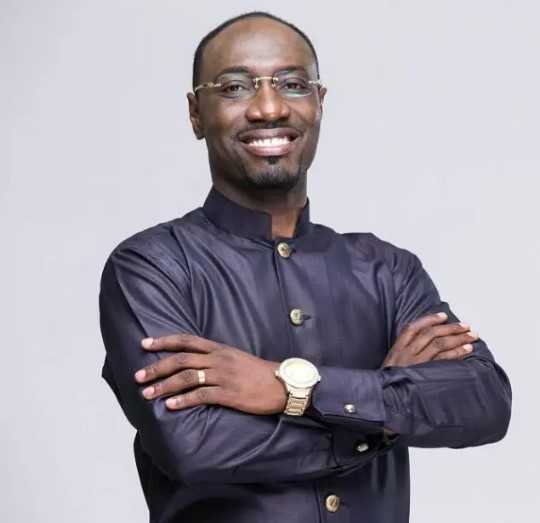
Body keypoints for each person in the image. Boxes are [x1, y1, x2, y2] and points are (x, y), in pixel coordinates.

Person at [98, 11, 512, 523]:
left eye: (293, 84)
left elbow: (484, 401)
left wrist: (292, 389)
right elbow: (192, 445)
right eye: (235, 87)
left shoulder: (387, 271)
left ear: (319, 103)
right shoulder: (154, 268)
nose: (269, 108)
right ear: (196, 114)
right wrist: (378, 417)